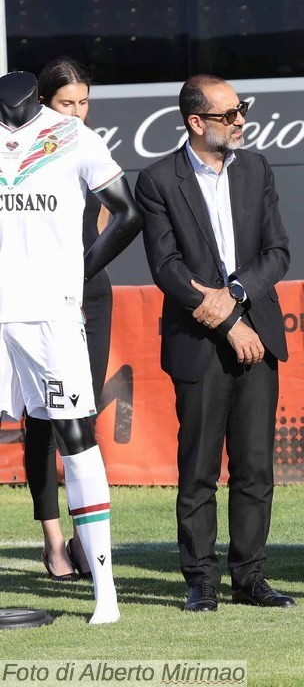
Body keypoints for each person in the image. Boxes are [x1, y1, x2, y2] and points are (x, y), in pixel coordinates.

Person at [134, 74, 293, 612]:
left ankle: (250, 576)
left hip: (258, 332)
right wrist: (227, 320)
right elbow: (167, 269)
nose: (241, 121)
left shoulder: (257, 168)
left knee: (254, 466)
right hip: (200, 343)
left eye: (241, 110)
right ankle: (201, 579)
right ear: (196, 122)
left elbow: (278, 251)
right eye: (229, 114)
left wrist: (238, 293)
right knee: (198, 467)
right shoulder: (158, 180)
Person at [0, 70, 143, 623]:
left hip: (50, 317)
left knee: (75, 436)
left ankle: (104, 592)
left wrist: (78, 273)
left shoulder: (74, 135)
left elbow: (128, 213)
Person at [25, 57, 110, 583]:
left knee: (84, 417)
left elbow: (105, 215)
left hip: (89, 293)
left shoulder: (86, 144)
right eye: (65, 103)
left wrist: (82, 274)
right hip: (35, 299)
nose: (76, 113)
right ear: (42, 103)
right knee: (42, 423)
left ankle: (87, 539)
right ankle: (54, 543)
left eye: (83, 102)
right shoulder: (23, 152)